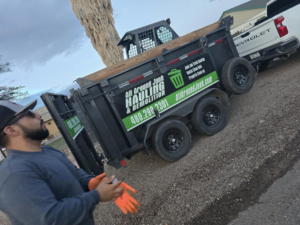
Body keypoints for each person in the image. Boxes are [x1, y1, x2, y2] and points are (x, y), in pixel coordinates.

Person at [0, 100, 124, 225]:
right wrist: (96, 196)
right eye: (29, 114)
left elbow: (72, 171)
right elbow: (50, 219)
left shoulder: (47, 150)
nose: (39, 115)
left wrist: (89, 182)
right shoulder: (14, 173)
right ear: (11, 130)